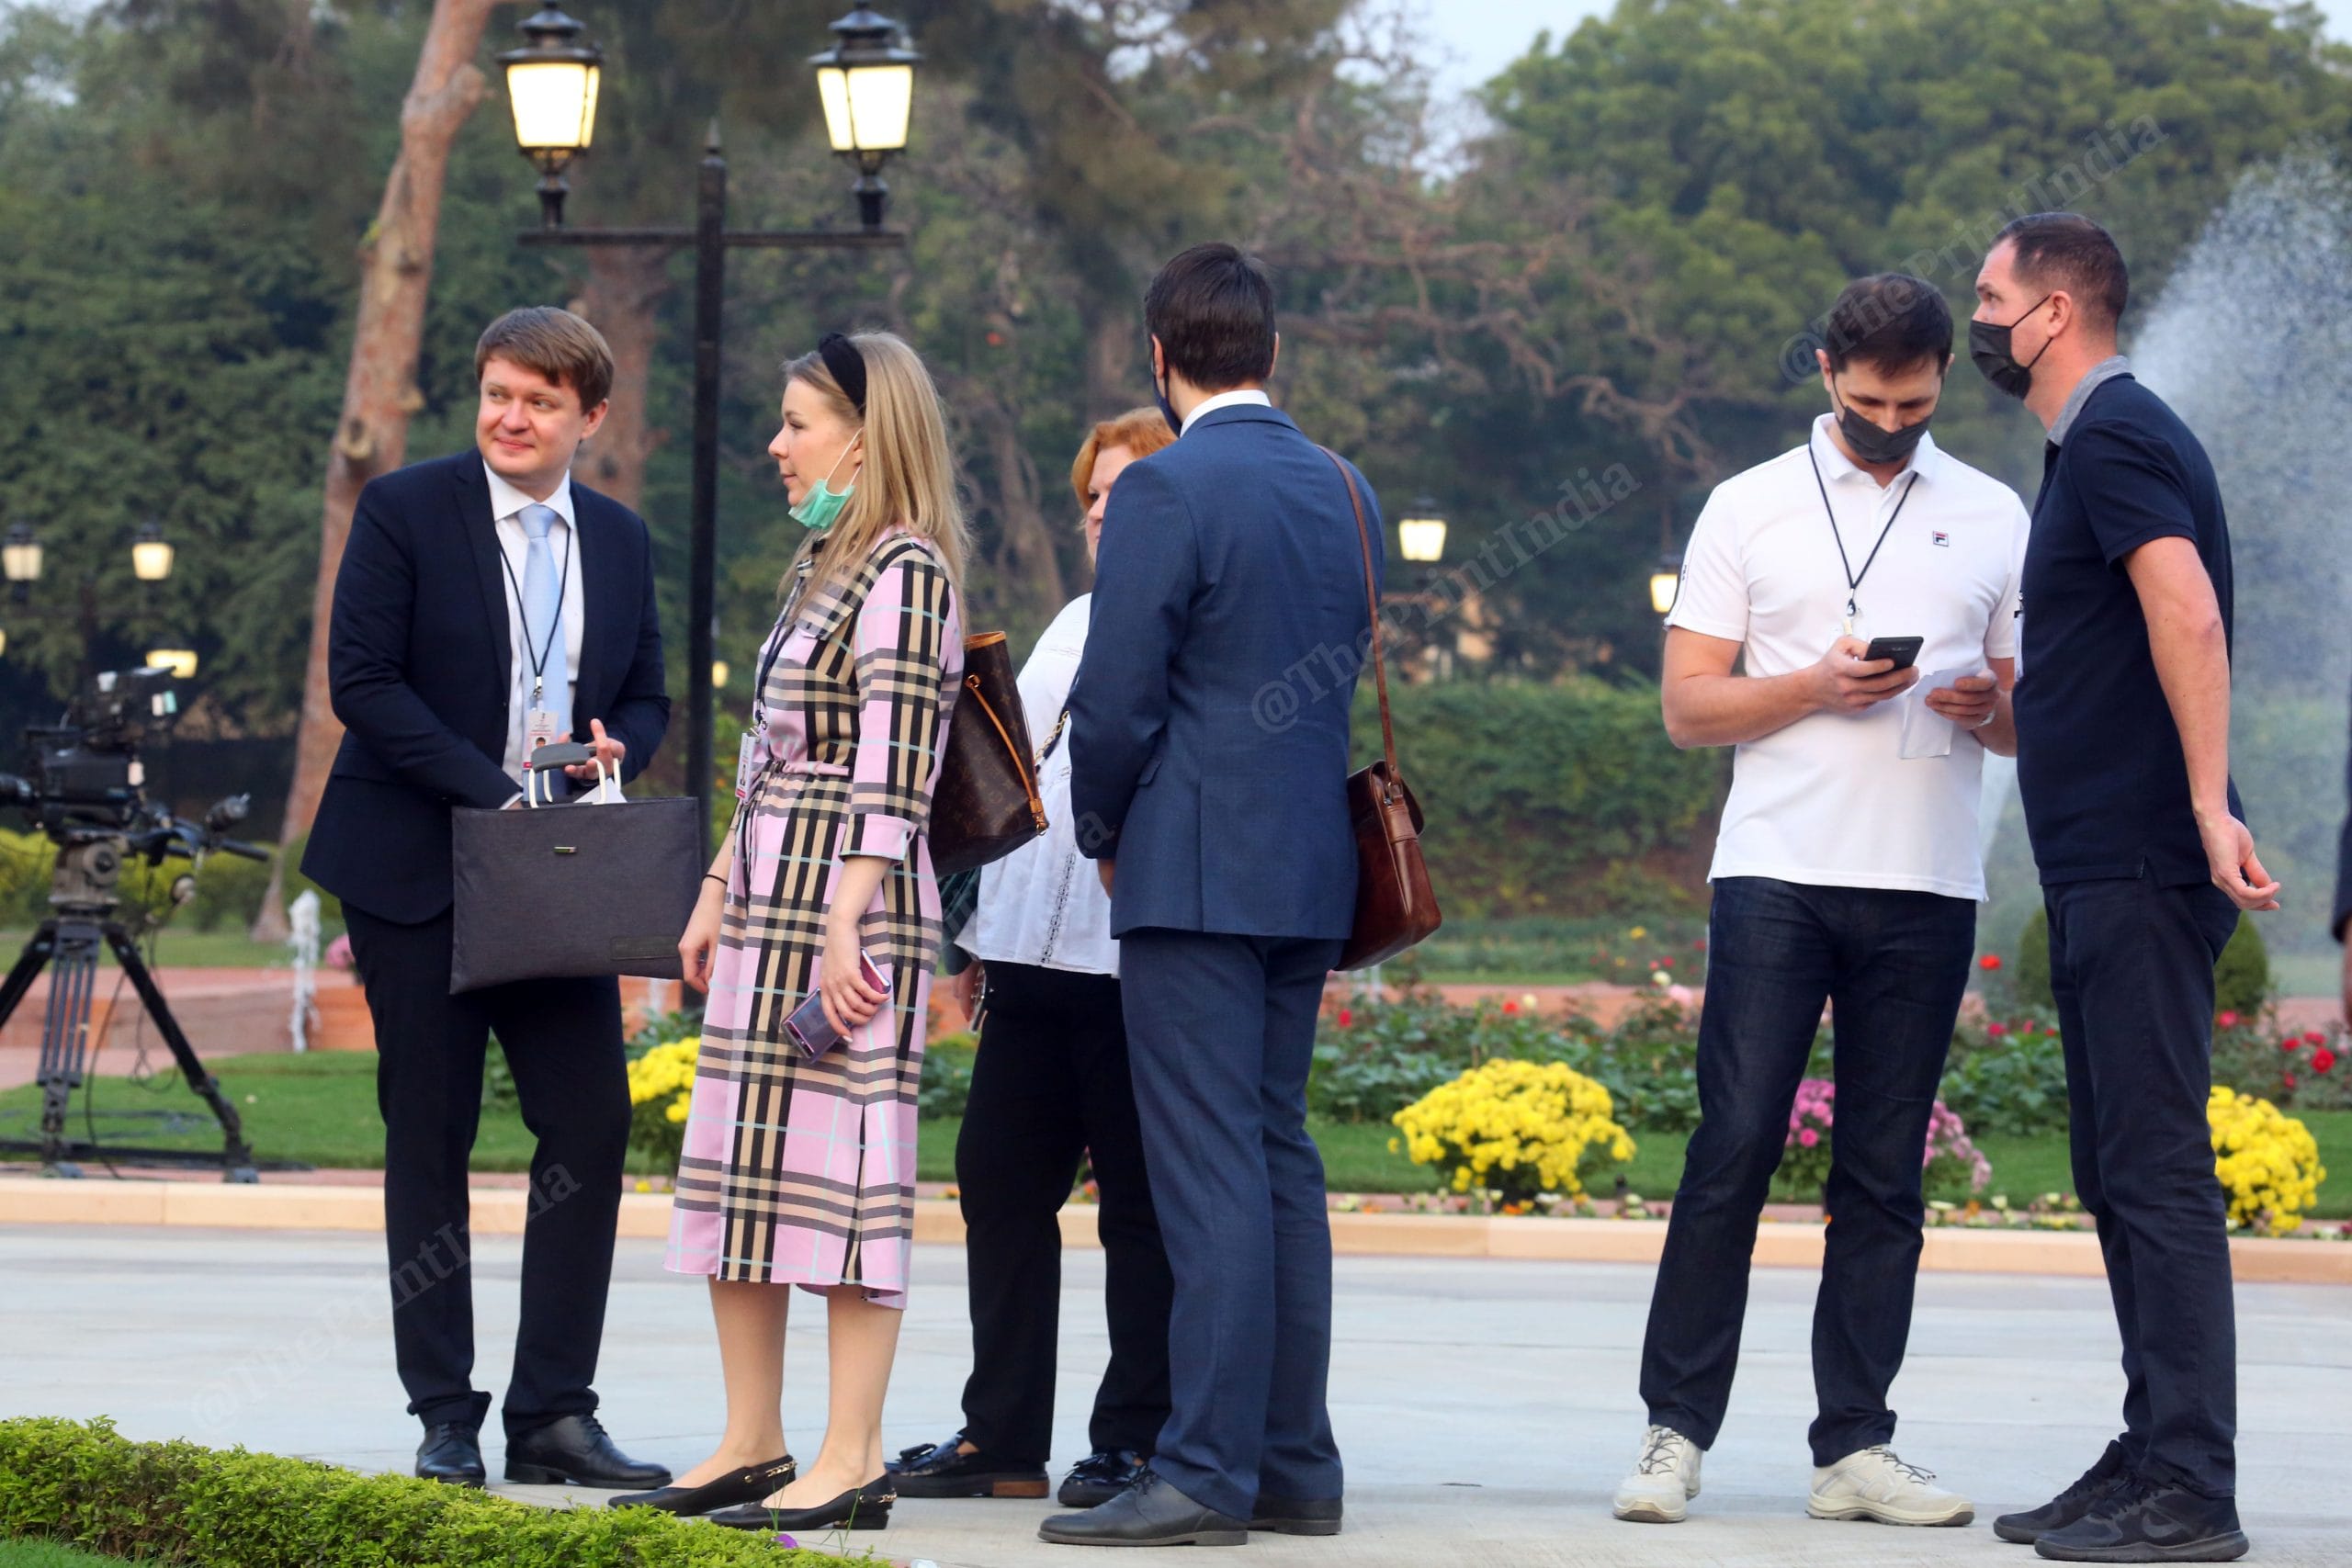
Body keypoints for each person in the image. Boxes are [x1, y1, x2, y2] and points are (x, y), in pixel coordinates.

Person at [1615, 274, 2026, 1530]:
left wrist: (1988, 708)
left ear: (1944, 377)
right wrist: (1810, 686)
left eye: (1913, 402)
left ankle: (1855, 1442)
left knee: (1885, 1173)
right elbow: (1690, 705)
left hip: (1926, 881)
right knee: (1732, 1145)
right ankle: (1673, 1430)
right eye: (1867, 403)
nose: (1891, 423)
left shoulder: (1997, 512)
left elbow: (2027, 717)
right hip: (1778, 873)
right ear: (1825, 374)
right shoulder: (1750, 504)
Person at [301, 306, 673, 1491]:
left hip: (553, 879)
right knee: (433, 1134)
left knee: (589, 1124)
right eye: (499, 394)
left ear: (590, 419)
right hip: (415, 867)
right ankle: (446, 1414)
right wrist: (491, 791)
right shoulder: (407, 509)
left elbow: (652, 693)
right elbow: (360, 681)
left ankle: (555, 1413)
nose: (512, 418)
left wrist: (621, 747)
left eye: (542, 402)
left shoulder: (617, 537)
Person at [1042, 243, 1377, 1549]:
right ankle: (1295, 1462)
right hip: (1307, 865)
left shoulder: (1167, 489)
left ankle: (1202, 1469)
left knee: (1207, 1171)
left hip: (1189, 864)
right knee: (1278, 1153)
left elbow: (1117, 699)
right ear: (1272, 353)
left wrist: (1106, 824)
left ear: (1160, 358)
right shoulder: (1347, 488)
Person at [1973, 214, 2272, 1565]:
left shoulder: (2117, 433)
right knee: (2112, 1169)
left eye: (1991, 296)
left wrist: (2208, 809)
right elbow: (2120, 652)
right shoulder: (2086, 447)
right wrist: (2017, 712)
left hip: (2147, 862)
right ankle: (2150, 1447)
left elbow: (2188, 611)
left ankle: (2194, 1487)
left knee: (2154, 1175)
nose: (1978, 318)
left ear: (2055, 312)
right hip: (2102, 860)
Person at [655, 331, 967, 1535]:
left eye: (797, 422)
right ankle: (753, 1437)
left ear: (865, 430)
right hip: (775, 896)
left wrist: (846, 922)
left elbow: (899, 762)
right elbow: (766, 756)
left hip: (852, 901)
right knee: (744, 1173)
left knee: (846, 1185)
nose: (778, 447)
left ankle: (852, 1453)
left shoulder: (907, 566)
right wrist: (717, 888)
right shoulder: (820, 567)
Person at [890, 407, 1178, 1510]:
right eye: (1093, 497)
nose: (1104, 514)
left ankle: (1134, 1441)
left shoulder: (1191, 631)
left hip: (1131, 967)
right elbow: (1018, 788)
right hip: (1025, 960)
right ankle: (1002, 1437)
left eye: (1126, 494)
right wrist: (969, 937)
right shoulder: (1073, 620)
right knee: (998, 1189)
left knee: (1138, 1214)